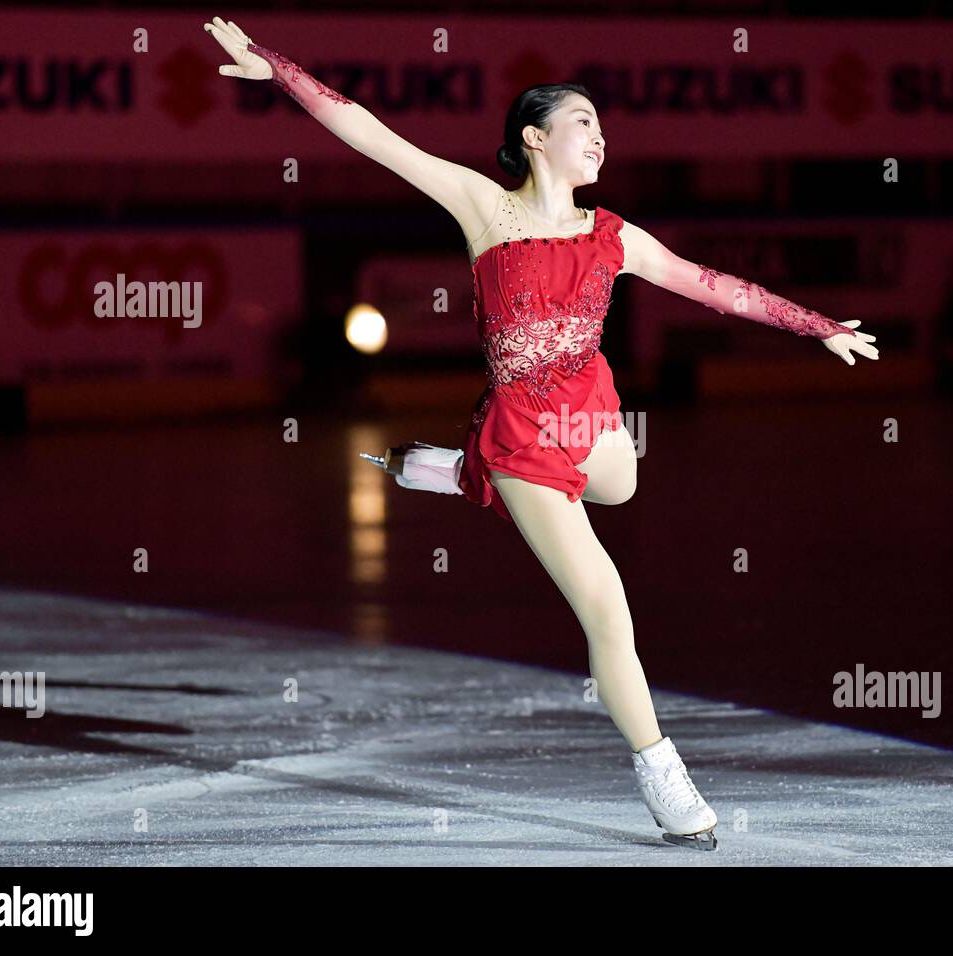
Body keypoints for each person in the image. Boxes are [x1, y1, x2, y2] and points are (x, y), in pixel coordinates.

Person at [205, 17, 878, 850]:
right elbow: (371, 132)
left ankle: (462, 471)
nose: (600, 136)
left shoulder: (613, 235)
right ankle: (666, 781)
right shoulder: (484, 207)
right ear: (534, 137)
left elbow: (712, 287)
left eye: (602, 125)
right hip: (525, 428)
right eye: (582, 122)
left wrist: (816, 327)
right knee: (607, 608)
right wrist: (274, 67)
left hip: (590, 412)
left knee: (625, 482)